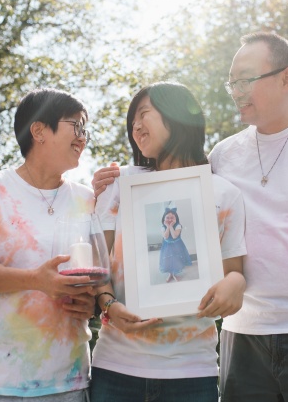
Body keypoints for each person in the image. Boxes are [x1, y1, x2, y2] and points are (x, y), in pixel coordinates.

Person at [93, 32, 288, 402]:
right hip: (240, 336)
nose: (236, 91)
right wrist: (107, 187)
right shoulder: (222, 156)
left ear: (286, 78)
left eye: (245, 79)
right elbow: (172, 202)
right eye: (232, 83)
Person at [89, 82, 247, 402]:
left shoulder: (224, 193)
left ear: (176, 116)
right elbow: (96, 263)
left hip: (192, 371)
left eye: (144, 114)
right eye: (132, 121)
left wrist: (235, 285)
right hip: (117, 365)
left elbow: (234, 272)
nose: (135, 126)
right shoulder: (120, 184)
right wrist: (108, 305)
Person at [0, 88, 97, 402]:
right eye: (75, 126)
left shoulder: (88, 200)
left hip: (66, 385)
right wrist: (36, 280)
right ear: (39, 130)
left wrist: (92, 304)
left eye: (85, 129)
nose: (83, 137)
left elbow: (100, 278)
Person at [159, 207, 192, 282]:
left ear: (176, 218)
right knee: (168, 259)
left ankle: (174, 274)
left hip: (177, 245)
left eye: (172, 218)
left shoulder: (178, 225)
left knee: (176, 259)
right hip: (167, 246)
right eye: (167, 217)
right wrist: (168, 227)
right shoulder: (163, 227)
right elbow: (165, 236)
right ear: (164, 218)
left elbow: (174, 236)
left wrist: (171, 226)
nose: (170, 220)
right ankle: (170, 274)